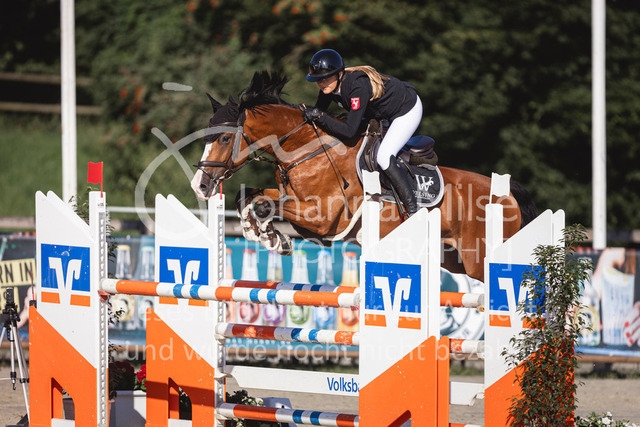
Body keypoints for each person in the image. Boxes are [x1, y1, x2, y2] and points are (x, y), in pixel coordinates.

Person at [302, 49, 423, 216]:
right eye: (317, 80)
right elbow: (318, 111)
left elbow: (349, 131)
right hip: (382, 113)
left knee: (383, 156)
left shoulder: (356, 87)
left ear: (339, 74)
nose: (321, 84)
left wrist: (320, 117)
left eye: (325, 78)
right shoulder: (329, 87)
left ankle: (413, 210)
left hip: (406, 110)